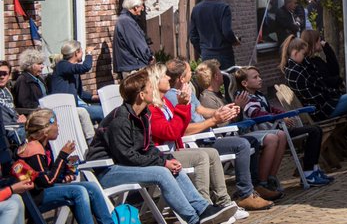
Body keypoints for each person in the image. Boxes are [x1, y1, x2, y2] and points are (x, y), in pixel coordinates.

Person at [88, 70, 236, 224]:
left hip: (124, 164)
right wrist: (163, 163)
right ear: (141, 95)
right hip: (107, 170)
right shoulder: (120, 120)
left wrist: (168, 159)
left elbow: (148, 146)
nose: (154, 91)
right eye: (151, 88)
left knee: (173, 167)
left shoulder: (143, 115)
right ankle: (194, 220)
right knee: (162, 172)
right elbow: (126, 156)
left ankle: (204, 209)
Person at [143, 64, 260, 215]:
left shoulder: (165, 103)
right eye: (165, 76)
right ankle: (205, 206)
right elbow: (172, 132)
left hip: (176, 149)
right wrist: (183, 107)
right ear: (156, 80)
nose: (168, 78)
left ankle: (224, 202)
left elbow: (183, 123)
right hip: (164, 154)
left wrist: (217, 113)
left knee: (211, 153)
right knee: (201, 156)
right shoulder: (152, 108)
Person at [231, 67, 330, 188]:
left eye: (259, 76)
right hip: (265, 132)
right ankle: (308, 173)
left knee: (316, 129)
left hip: (275, 128)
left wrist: (283, 114)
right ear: (244, 83)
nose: (260, 79)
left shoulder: (259, 95)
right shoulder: (245, 98)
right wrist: (281, 117)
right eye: (255, 77)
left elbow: (271, 109)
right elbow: (256, 114)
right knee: (313, 131)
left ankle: (313, 169)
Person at [15, 109, 113, 224]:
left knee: (92, 187)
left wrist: (66, 173)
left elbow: (48, 175)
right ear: (45, 131)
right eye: (56, 124)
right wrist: (63, 155)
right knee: (79, 191)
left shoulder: (43, 145)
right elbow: (47, 181)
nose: (58, 127)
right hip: (35, 197)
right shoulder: (34, 149)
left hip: (43, 190)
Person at [189, 0, 240, 70]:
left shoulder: (196, 9)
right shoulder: (224, 7)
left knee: (210, 82)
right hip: (224, 54)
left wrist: (203, 50)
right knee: (228, 81)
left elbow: (193, 36)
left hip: (206, 54)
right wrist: (234, 41)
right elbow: (227, 31)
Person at [50, 41, 103, 123]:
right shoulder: (62, 65)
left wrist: (95, 97)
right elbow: (85, 67)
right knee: (103, 112)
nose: (82, 54)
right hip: (65, 108)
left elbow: (80, 93)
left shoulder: (73, 70)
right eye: (82, 51)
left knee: (105, 107)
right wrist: (88, 53)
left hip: (76, 104)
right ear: (76, 53)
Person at [112, 0, 153, 77]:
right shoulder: (126, 22)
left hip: (131, 66)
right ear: (135, 7)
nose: (142, 9)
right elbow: (137, 44)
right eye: (141, 6)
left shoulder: (126, 20)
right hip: (132, 68)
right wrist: (149, 57)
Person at [0, 62, 24, 146]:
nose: (2, 77)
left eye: (5, 74)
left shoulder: (7, 91)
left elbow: (11, 109)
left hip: (16, 125)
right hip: (6, 129)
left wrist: (20, 116)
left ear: (9, 75)